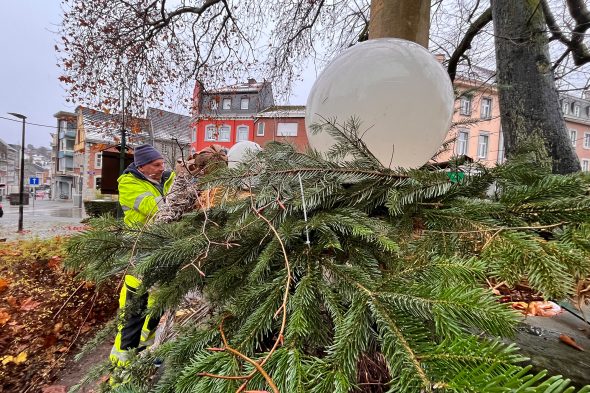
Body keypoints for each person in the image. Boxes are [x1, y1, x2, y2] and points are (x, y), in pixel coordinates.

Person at [109, 144, 176, 371]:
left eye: (163, 164)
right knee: (133, 315)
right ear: (142, 166)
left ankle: (144, 355)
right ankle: (121, 370)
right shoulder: (129, 184)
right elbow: (156, 207)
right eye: (156, 165)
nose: (161, 168)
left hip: (160, 251)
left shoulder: (165, 179)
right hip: (139, 253)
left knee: (156, 308)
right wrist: (181, 193)